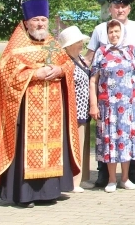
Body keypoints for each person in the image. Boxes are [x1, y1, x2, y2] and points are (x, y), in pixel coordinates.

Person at [0, 0, 80, 208]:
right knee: (26, 147)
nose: (41, 24)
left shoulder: (52, 43)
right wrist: (34, 73)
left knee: (53, 147)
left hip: (52, 110)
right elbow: (6, 74)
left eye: (44, 19)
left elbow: (68, 64)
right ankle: (24, 194)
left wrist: (60, 70)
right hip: (25, 111)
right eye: (36, 20)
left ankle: (49, 191)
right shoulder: (16, 46)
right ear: (26, 22)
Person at [85, 0, 135, 187]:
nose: (120, 9)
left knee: (130, 135)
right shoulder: (100, 29)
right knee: (107, 136)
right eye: (116, 6)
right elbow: (89, 58)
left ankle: (130, 173)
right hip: (107, 100)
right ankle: (105, 175)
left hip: (129, 99)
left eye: (124, 6)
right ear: (110, 8)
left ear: (129, 8)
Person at [59, 25, 92, 193]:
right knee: (76, 145)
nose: (81, 44)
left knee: (84, 143)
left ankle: (83, 177)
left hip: (85, 108)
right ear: (69, 45)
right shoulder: (65, 62)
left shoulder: (79, 58)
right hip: (75, 110)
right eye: (78, 42)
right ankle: (74, 181)